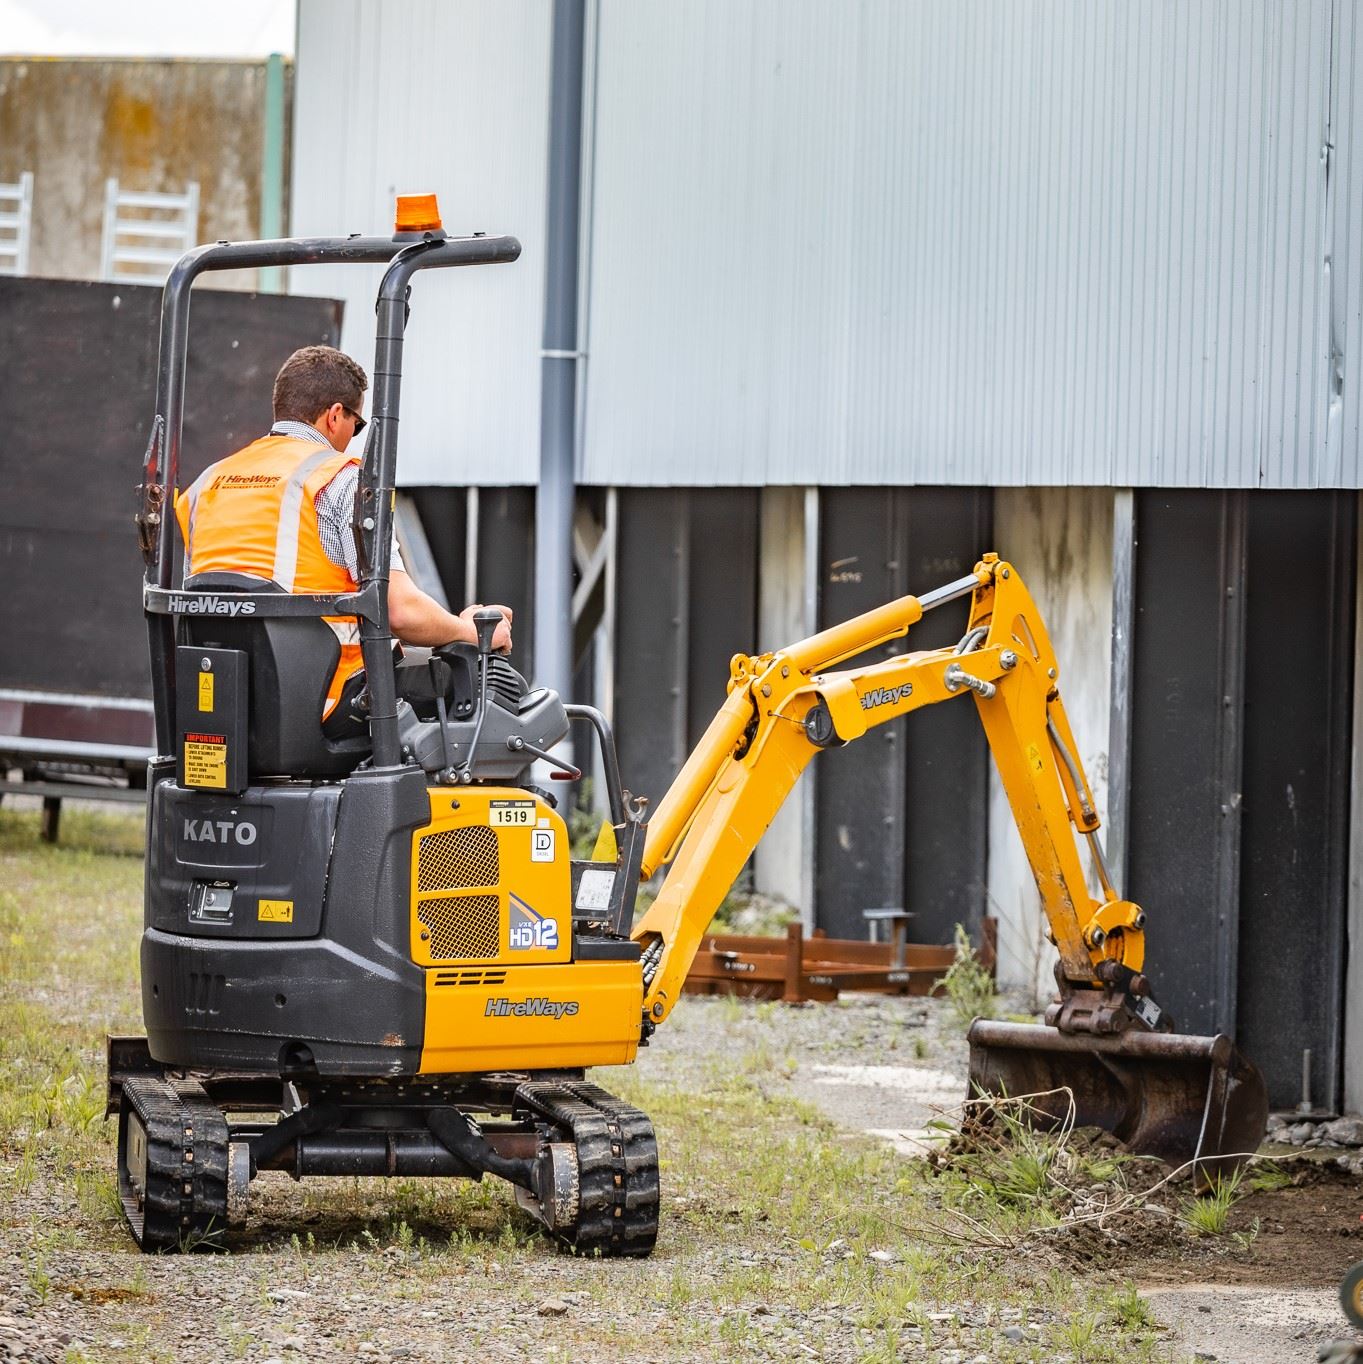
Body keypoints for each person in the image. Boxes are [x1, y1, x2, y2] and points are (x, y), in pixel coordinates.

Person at [174, 344, 512, 732]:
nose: (354, 436)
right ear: (335, 415)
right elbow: (400, 612)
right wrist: (470, 630)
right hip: (324, 710)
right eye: (357, 423)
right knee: (491, 680)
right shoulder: (340, 480)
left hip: (221, 706)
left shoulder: (209, 484)